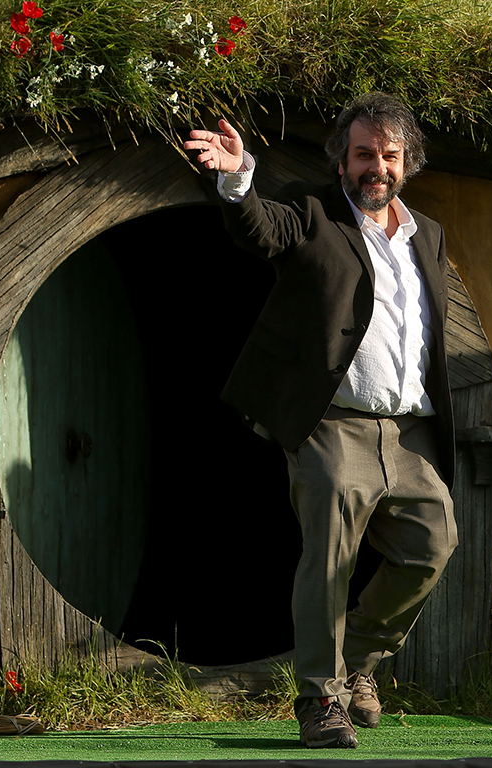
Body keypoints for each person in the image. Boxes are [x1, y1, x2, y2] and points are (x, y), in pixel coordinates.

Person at [185, 92, 457, 749]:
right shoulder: (313, 213)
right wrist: (237, 175)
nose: (377, 167)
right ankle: (319, 701)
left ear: (407, 162)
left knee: (433, 545)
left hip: (409, 430)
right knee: (330, 563)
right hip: (332, 424)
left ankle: (357, 661)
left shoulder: (429, 234)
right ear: (342, 159)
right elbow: (259, 229)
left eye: (389, 156)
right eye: (364, 154)